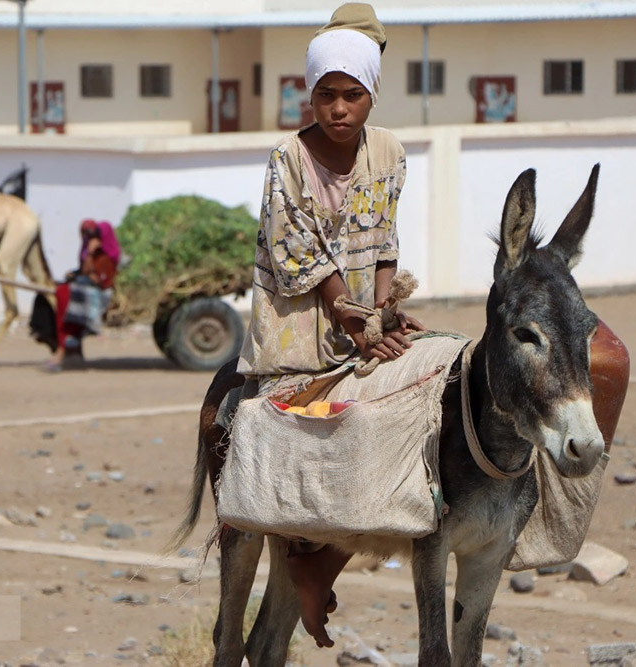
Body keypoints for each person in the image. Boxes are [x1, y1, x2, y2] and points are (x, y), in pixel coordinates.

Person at [234, 3, 423, 649]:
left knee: (414, 421)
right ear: (309, 95)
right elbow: (297, 250)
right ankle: (301, 561)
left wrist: (383, 315)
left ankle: (321, 563)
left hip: (359, 317)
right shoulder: (287, 156)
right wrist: (350, 312)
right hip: (296, 324)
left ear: (372, 94)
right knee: (300, 436)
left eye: (353, 95)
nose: (339, 109)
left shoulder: (391, 151)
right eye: (326, 95)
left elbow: (385, 237)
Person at [43, 219, 120, 372]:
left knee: (65, 295)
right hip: (87, 282)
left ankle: (63, 348)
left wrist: (92, 254)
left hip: (100, 287)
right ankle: (65, 345)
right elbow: (85, 270)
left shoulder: (109, 250)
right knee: (59, 292)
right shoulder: (88, 247)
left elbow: (102, 277)